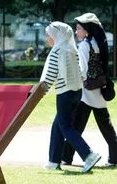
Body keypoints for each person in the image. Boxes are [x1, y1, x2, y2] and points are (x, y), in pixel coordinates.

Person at [40, 21, 101, 172]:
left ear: (56, 35)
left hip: (65, 93)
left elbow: (50, 76)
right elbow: (81, 72)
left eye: (48, 35)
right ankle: (53, 161)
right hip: (76, 92)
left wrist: (39, 92)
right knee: (58, 125)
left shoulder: (57, 51)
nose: (47, 38)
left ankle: (88, 155)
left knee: (65, 126)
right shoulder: (72, 49)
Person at [62, 13, 117, 167]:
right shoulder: (97, 44)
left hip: (86, 92)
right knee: (106, 128)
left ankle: (66, 158)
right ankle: (114, 158)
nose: (76, 31)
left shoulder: (85, 45)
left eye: (78, 28)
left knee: (76, 127)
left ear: (86, 30)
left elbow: (83, 70)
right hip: (97, 91)